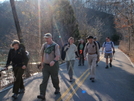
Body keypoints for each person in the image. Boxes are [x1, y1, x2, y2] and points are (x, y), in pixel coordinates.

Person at [37, 33, 60, 101]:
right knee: (44, 79)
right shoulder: (44, 45)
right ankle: (42, 94)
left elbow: (57, 56)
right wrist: (41, 63)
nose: (46, 39)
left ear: (51, 38)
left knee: (54, 78)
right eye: (45, 38)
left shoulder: (55, 45)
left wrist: (54, 61)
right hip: (45, 65)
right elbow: (42, 55)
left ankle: (57, 88)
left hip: (53, 66)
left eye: (47, 38)